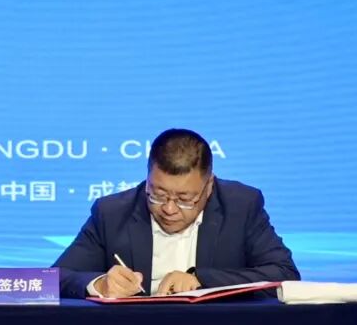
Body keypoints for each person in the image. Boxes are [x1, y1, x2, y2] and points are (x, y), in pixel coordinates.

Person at [53, 128, 299, 298]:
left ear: (209, 186)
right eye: (158, 194)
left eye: (185, 199)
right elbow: (53, 279)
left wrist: (201, 280)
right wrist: (99, 285)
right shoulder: (112, 213)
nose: (169, 209)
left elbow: (284, 274)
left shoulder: (241, 206)